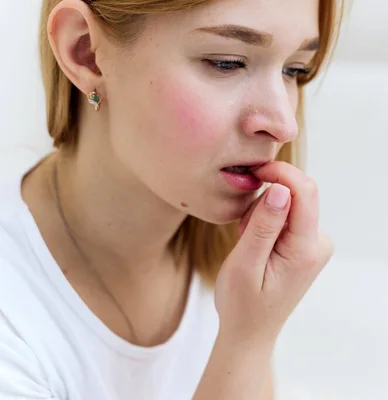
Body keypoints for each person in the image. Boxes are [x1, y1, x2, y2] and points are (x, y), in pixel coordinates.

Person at [0, 0, 343, 398]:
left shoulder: (229, 260)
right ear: (85, 53)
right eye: (227, 62)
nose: (285, 124)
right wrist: (246, 342)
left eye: (294, 70)